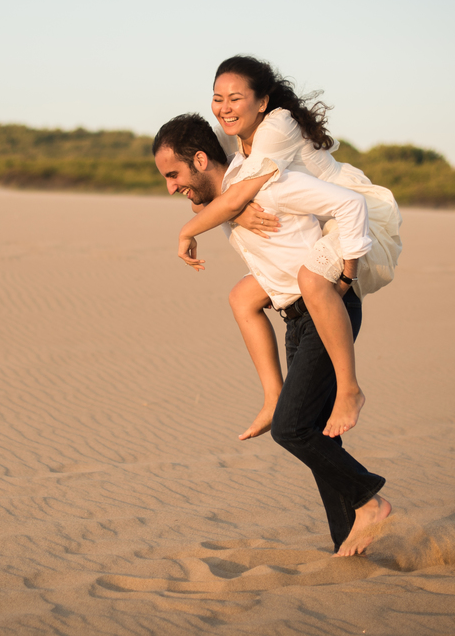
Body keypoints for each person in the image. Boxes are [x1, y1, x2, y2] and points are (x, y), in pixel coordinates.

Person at [152, 113, 391, 555]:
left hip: (325, 309)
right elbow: (236, 216)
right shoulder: (228, 201)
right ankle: (348, 540)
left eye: (174, 175)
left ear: (201, 159)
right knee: (317, 434)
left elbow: (342, 205)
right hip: (294, 317)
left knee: (292, 430)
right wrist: (232, 212)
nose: (171, 188)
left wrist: (349, 269)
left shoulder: (265, 182)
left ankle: (368, 499)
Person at [178, 56, 403, 442]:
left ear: (262, 101)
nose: (224, 108)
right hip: (316, 217)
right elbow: (220, 195)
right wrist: (236, 213)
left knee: (312, 280)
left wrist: (191, 229)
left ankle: (350, 389)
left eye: (235, 98)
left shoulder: (276, 126)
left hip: (348, 211)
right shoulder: (242, 142)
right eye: (217, 98)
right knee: (242, 297)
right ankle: (273, 398)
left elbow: (236, 198)